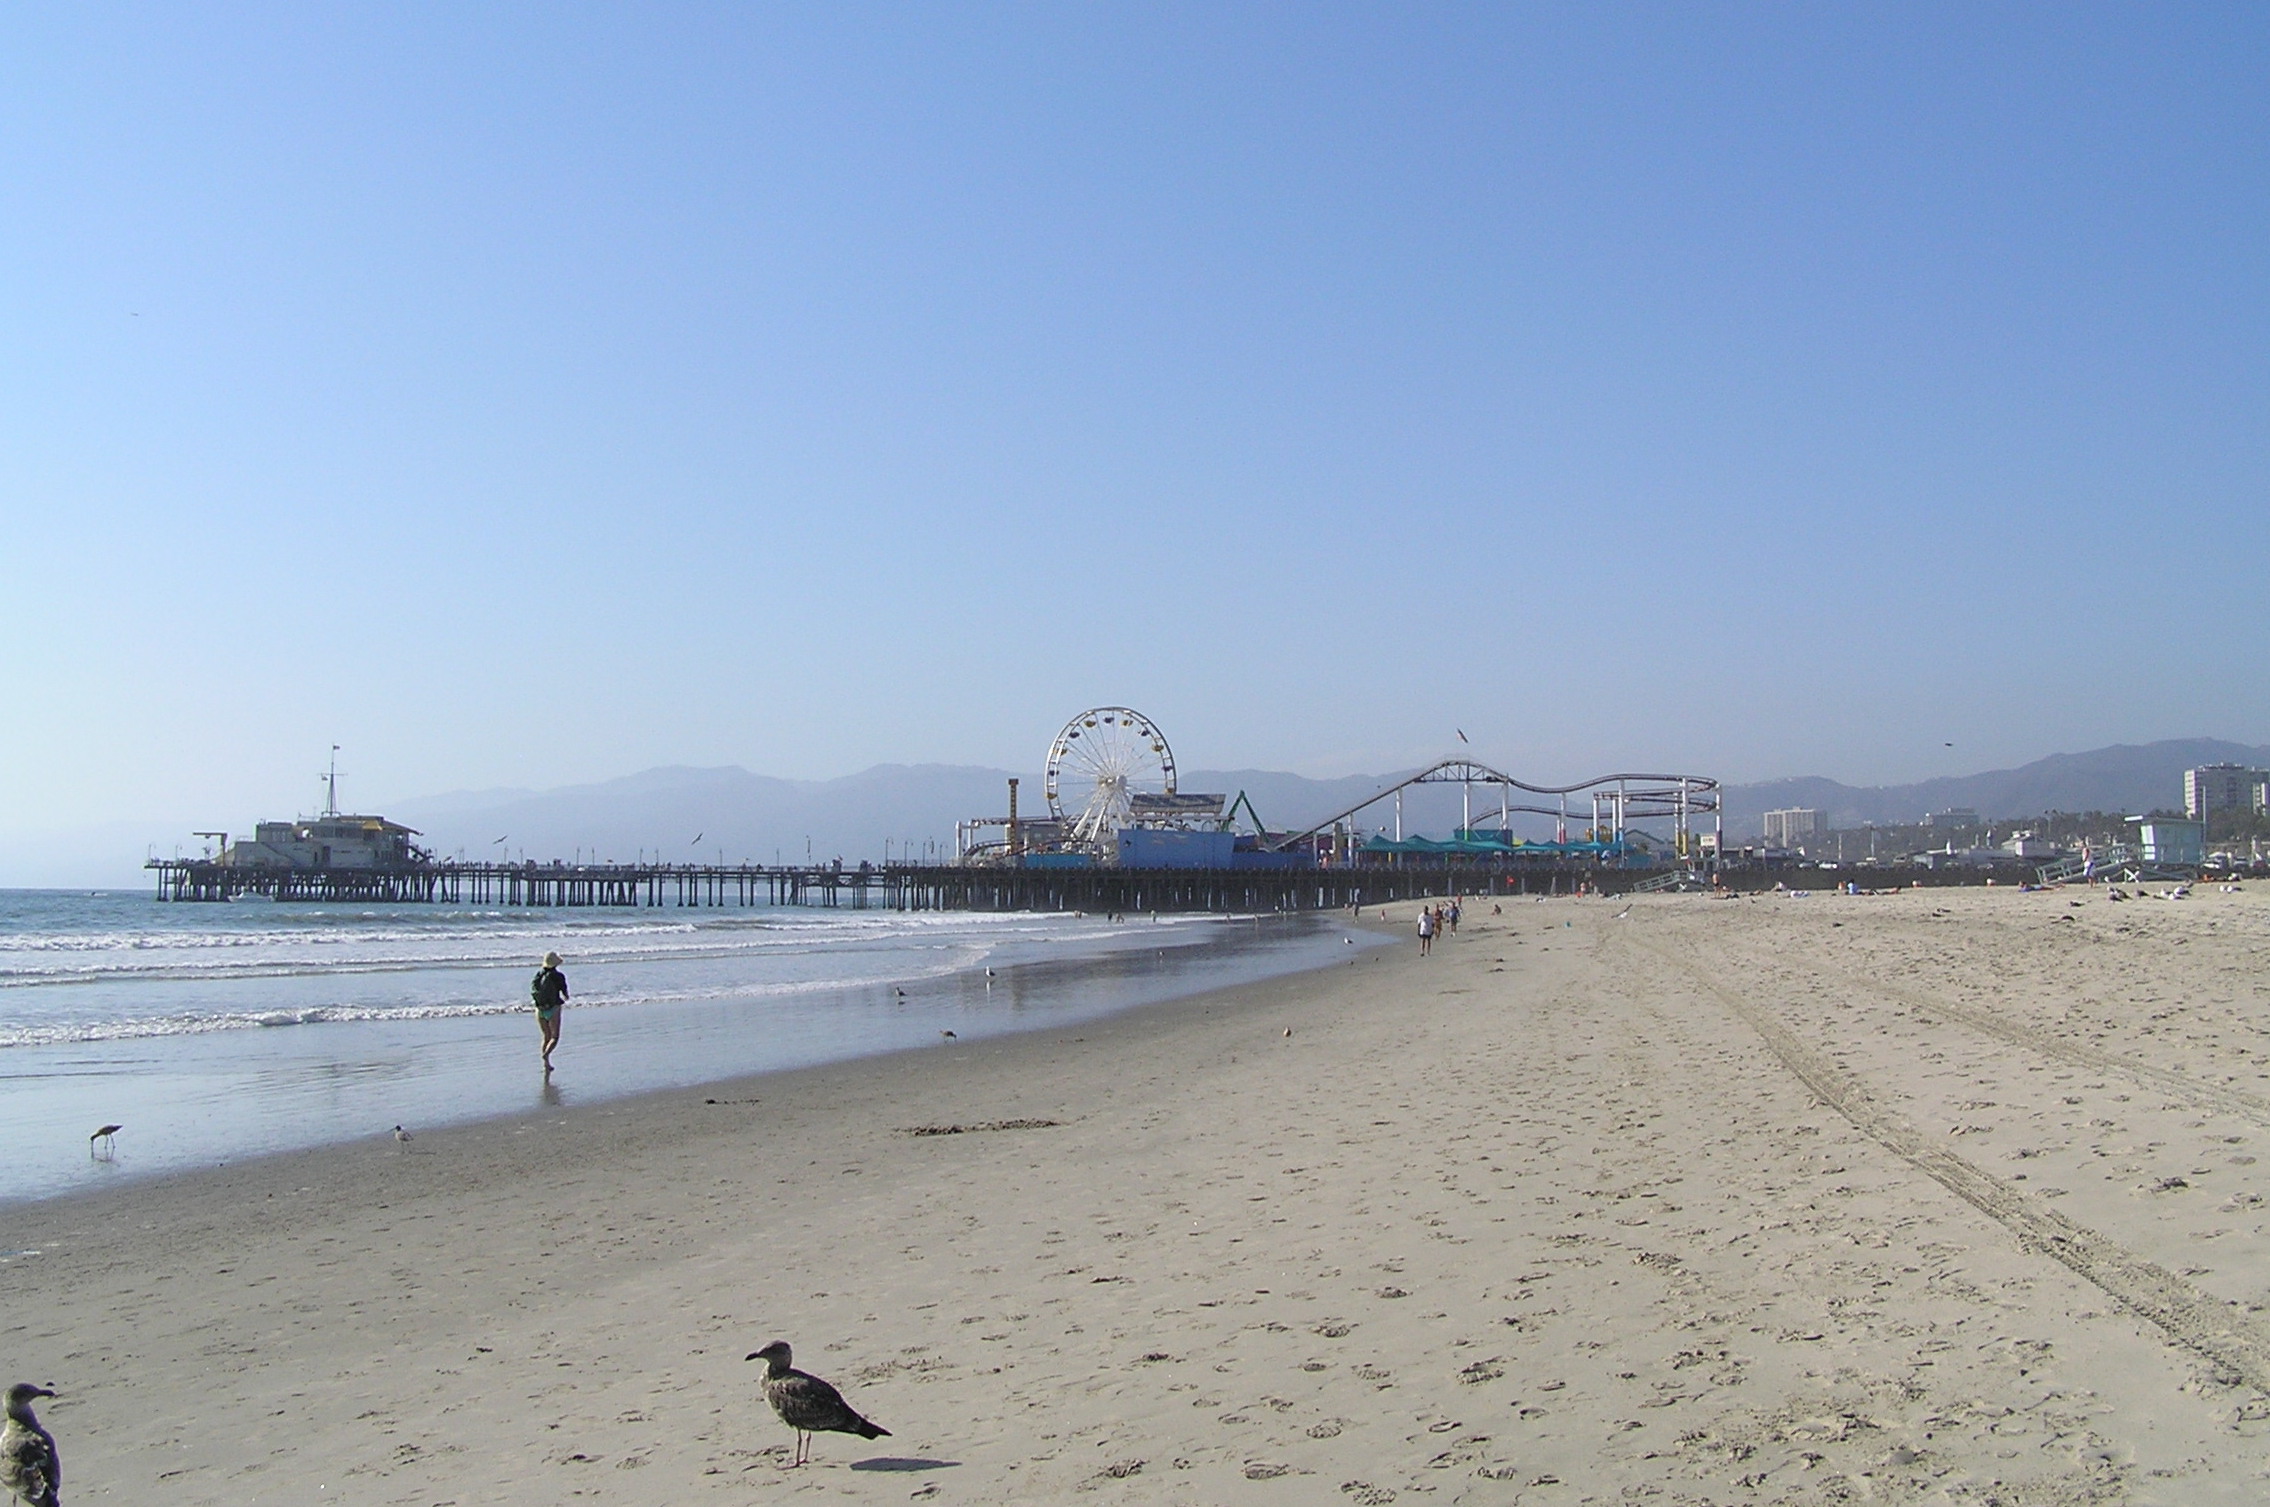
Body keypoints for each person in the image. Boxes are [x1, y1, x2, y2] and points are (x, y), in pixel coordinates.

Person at [532, 950, 569, 1070]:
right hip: (553, 1008)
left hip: (539, 1009)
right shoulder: (558, 976)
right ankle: (546, 1055)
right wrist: (566, 996)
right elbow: (564, 993)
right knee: (555, 1037)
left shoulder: (538, 975)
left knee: (546, 1036)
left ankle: (546, 1064)